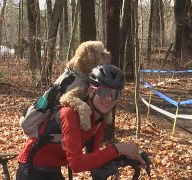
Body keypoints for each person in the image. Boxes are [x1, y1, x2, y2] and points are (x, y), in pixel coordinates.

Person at [16, 64, 145, 180]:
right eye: (104, 91)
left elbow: (93, 157)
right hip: (32, 168)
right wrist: (118, 148)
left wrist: (124, 157)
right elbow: (76, 164)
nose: (109, 99)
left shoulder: (100, 118)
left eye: (115, 94)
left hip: (54, 169)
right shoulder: (70, 114)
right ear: (90, 91)